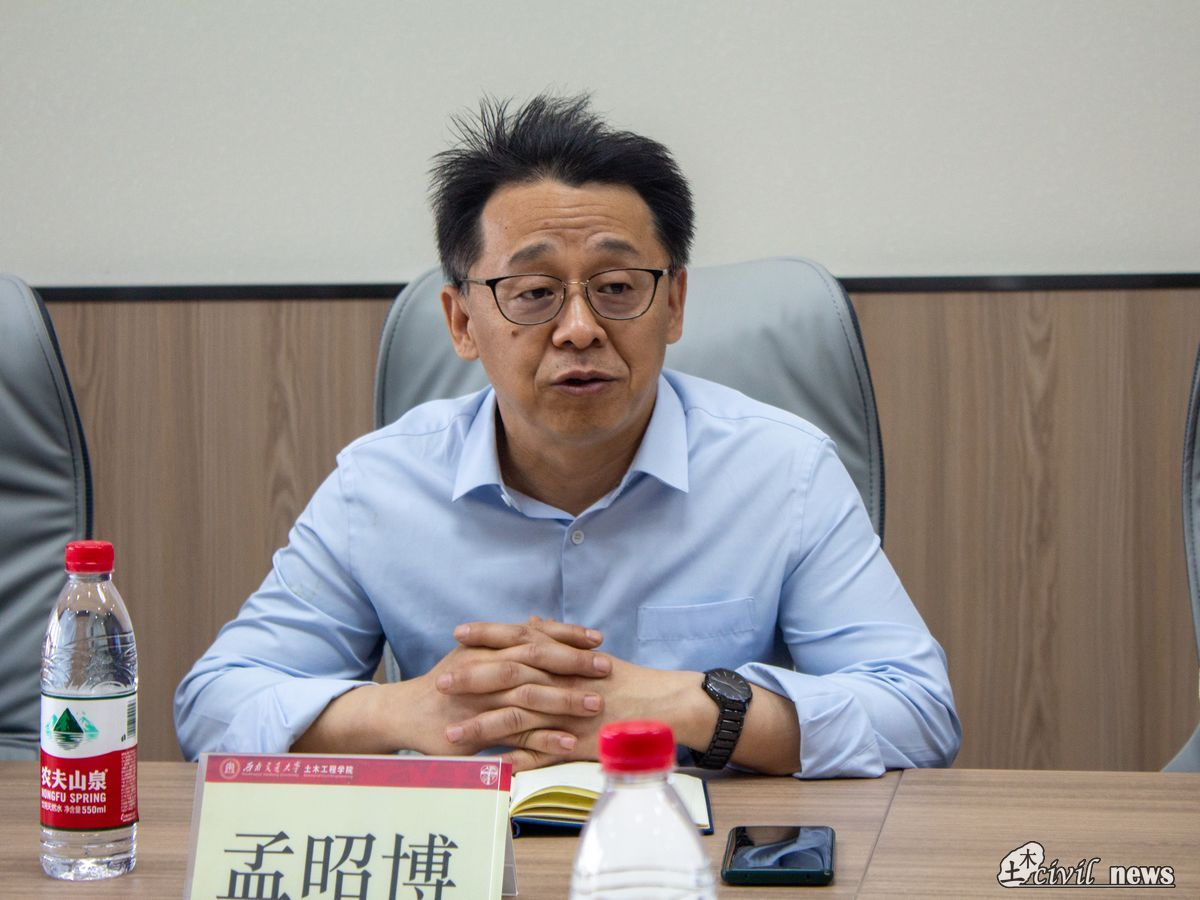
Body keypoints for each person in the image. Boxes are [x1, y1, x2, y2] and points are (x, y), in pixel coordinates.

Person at [175, 94, 960, 778]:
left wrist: (688, 705)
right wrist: (402, 710)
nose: (580, 328)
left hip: (694, 861)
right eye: (534, 292)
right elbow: (212, 706)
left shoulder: (783, 470)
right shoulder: (379, 485)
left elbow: (919, 713)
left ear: (674, 305)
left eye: (616, 287)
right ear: (461, 321)